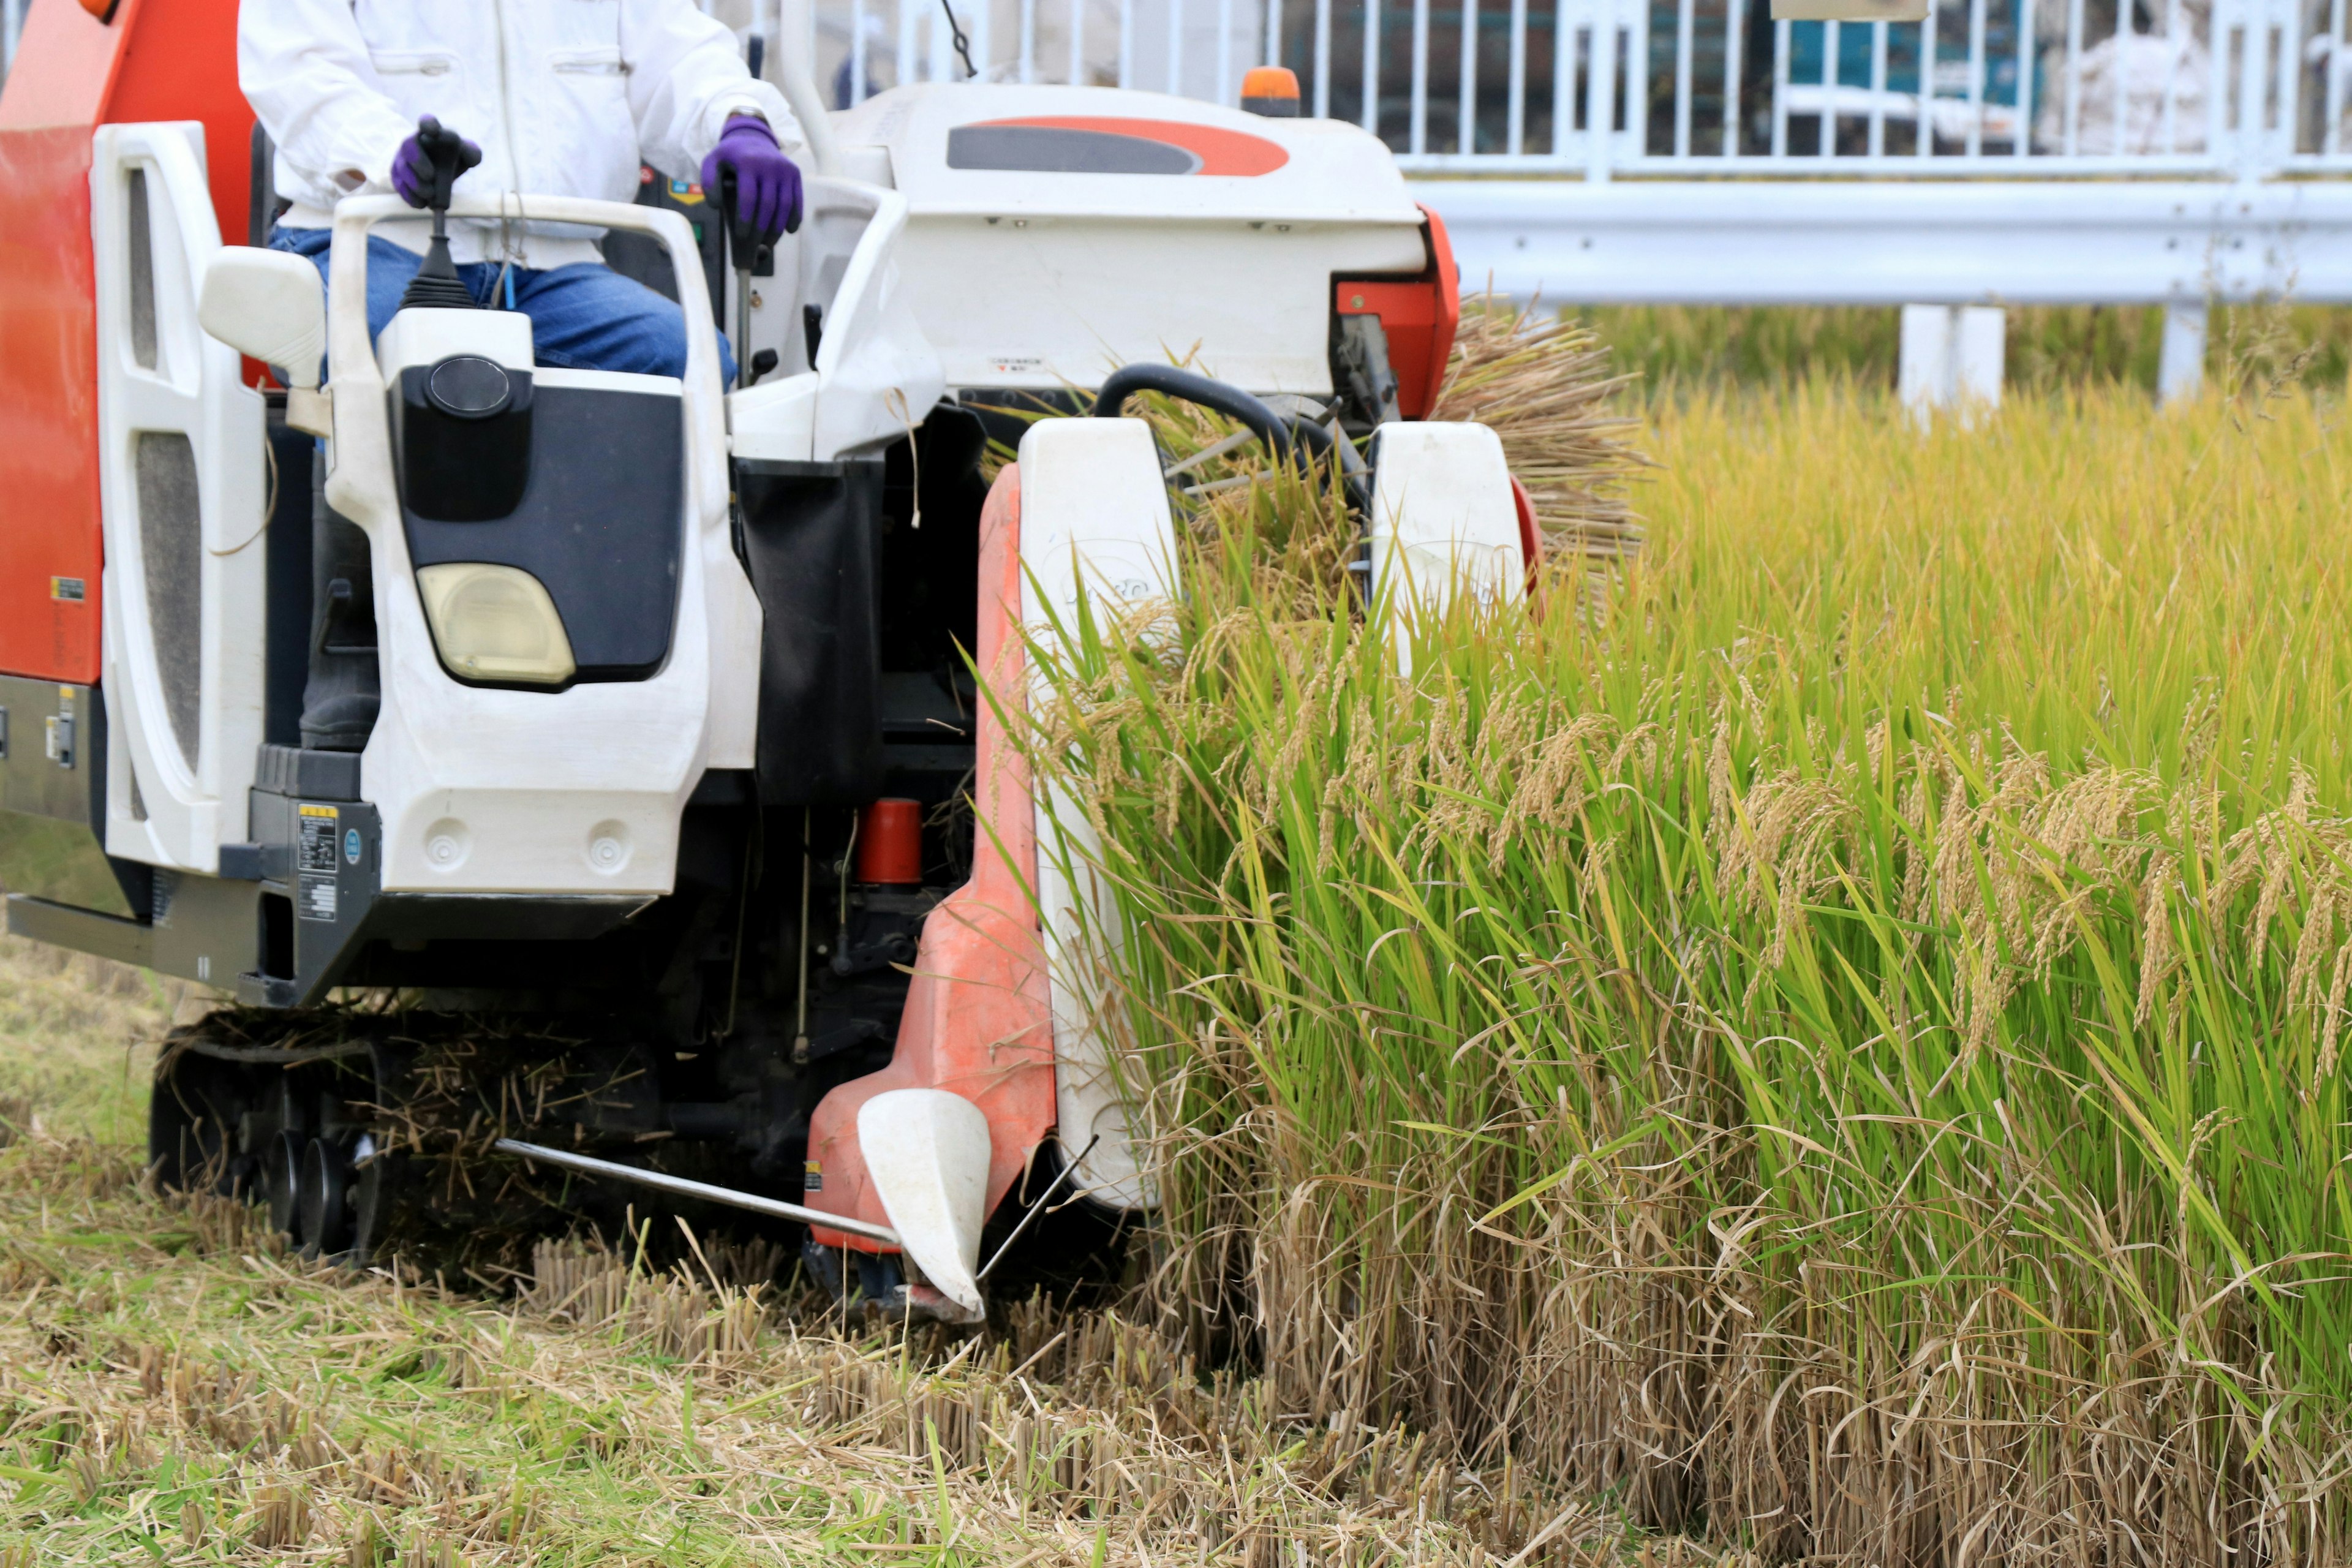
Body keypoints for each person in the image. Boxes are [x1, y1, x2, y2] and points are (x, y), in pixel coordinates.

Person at [240, 0, 805, 385]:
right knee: (402, 363)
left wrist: (741, 121)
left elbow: (680, 57)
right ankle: (374, 562)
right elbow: (298, 68)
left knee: (692, 365)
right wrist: (386, 154)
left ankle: (614, 560)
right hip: (374, 242)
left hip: (552, 265)